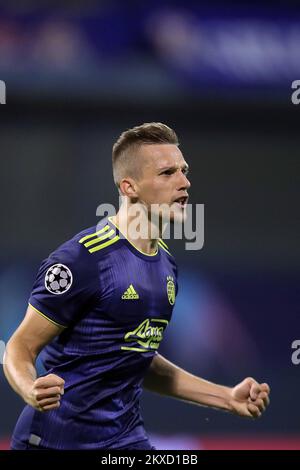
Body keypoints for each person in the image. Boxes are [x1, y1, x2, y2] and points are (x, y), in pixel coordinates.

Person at [4, 123, 270, 450]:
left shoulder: (166, 265)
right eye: (167, 173)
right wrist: (30, 388)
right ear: (129, 187)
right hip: (54, 441)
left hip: (125, 441)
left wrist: (226, 397)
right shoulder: (82, 261)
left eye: (184, 171)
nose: (184, 183)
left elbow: (138, 359)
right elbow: (20, 347)